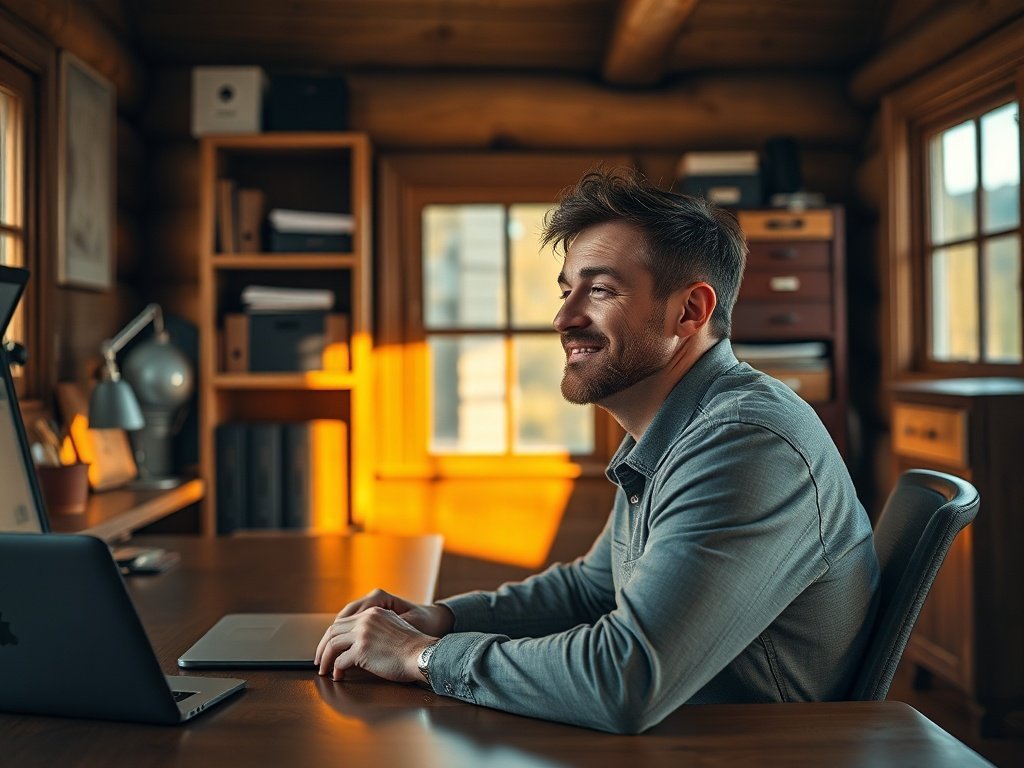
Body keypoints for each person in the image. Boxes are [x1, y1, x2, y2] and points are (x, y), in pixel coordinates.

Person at [315, 169, 879, 734]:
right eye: (566, 290)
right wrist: (441, 618)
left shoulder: (743, 443)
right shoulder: (673, 428)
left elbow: (623, 679)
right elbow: (593, 589)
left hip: (748, 752)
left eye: (601, 289)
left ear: (690, 311)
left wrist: (422, 657)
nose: (563, 318)